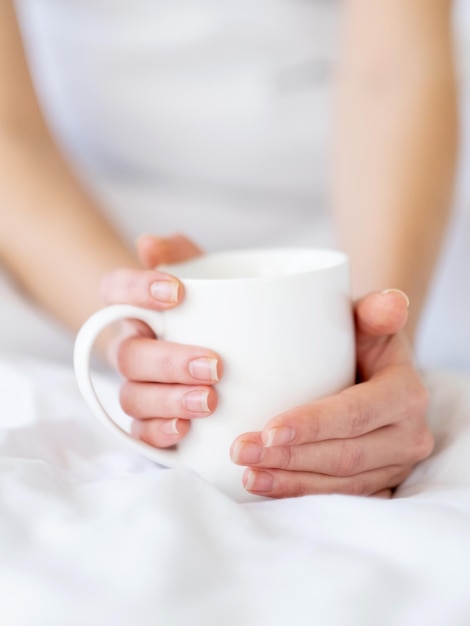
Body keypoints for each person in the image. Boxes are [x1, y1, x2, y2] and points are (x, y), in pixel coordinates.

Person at [0, 0, 461, 498]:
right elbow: (10, 136)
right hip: (77, 226)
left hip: (364, 210)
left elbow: (393, 68)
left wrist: (377, 344)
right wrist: (130, 329)